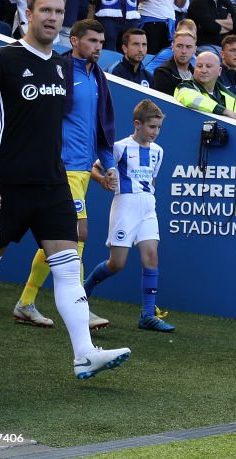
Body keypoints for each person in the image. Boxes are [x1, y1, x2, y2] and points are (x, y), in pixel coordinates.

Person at [0, 0, 130, 378]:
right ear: (28, 13)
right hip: (6, 186)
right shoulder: (2, 60)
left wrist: (96, 169)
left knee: (67, 268)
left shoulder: (63, 68)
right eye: (44, 10)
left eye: (58, 11)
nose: (52, 17)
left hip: (53, 185)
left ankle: (85, 352)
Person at [14, 18, 116, 331]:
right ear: (74, 41)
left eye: (101, 42)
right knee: (77, 234)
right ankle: (79, 307)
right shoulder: (58, 71)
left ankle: (26, 302)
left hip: (82, 170)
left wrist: (107, 165)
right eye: (92, 41)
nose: (98, 47)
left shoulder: (97, 76)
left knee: (58, 239)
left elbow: (100, 128)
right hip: (61, 169)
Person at [84, 100, 175, 332]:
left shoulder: (158, 151)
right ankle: (83, 293)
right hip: (125, 205)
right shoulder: (120, 147)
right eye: (151, 127)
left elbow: (152, 179)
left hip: (148, 207)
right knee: (117, 263)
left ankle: (147, 314)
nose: (155, 132)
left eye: (159, 128)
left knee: (151, 257)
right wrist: (103, 180)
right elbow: (93, 167)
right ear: (137, 124)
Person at [174, 51, 236, 120]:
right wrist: (224, 111)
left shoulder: (234, 100)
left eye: (208, 66)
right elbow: (191, 99)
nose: (204, 70)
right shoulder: (184, 87)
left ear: (219, 71)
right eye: (199, 66)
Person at [151, 28, 196, 96]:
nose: (184, 51)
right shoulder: (162, 72)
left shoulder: (196, 74)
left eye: (188, 47)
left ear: (195, 49)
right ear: (172, 47)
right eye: (179, 46)